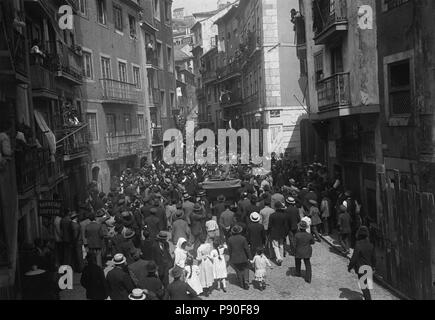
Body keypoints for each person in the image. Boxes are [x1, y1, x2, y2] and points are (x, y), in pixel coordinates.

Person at [348, 226, 375, 300]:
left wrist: (350, 267)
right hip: (369, 267)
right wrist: (374, 267)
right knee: (366, 286)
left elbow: (354, 258)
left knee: (364, 287)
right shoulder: (370, 244)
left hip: (361, 268)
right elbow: (373, 257)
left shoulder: (358, 244)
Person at [227, 225, 251, 290]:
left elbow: (229, 250)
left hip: (234, 258)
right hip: (243, 257)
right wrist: (250, 257)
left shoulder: (230, 239)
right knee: (246, 268)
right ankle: (246, 281)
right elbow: (247, 249)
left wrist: (230, 257)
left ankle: (241, 283)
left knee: (238, 270)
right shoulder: (243, 238)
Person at [268, 201, 288, 266]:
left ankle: (278, 258)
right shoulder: (284, 215)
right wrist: (285, 233)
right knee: (281, 245)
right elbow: (286, 226)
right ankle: (281, 257)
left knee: (275, 246)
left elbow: (270, 226)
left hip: (274, 233)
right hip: (282, 233)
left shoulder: (272, 215)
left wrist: (269, 232)